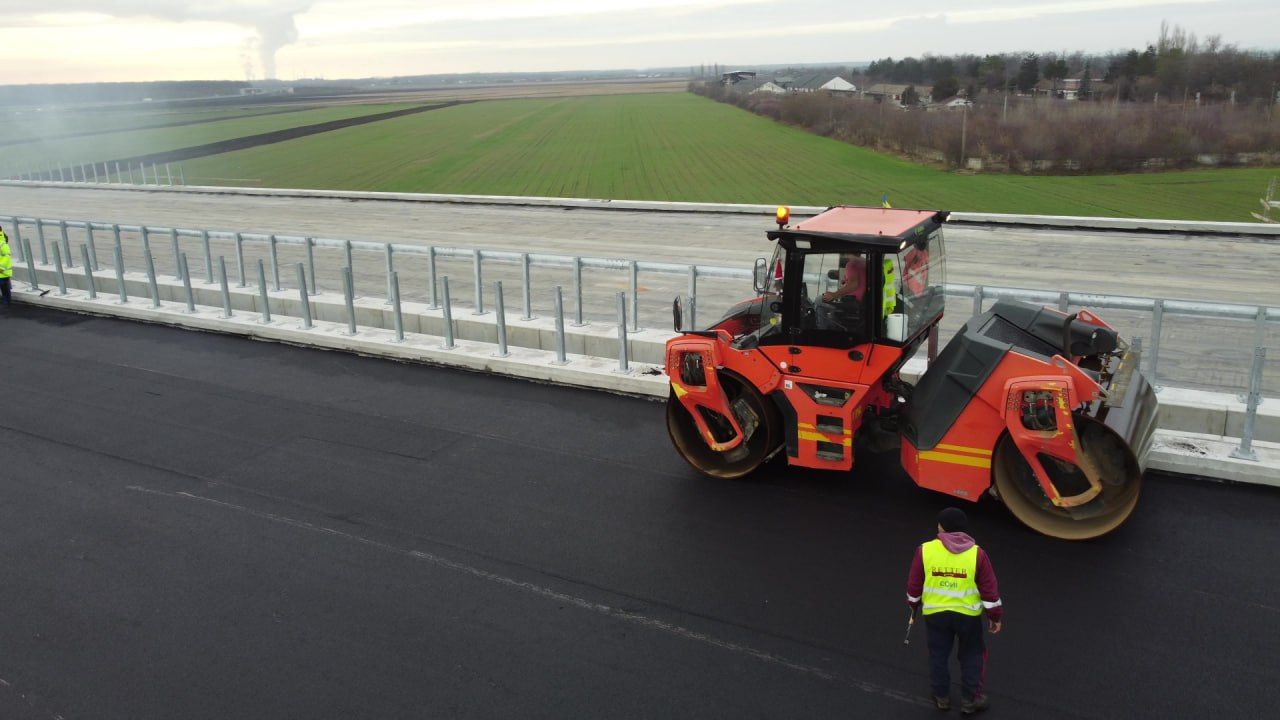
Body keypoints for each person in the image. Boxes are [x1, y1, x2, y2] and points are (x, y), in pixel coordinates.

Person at [906, 508, 1003, 714]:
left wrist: (913, 607)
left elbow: (914, 586)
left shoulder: (925, 550)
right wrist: (995, 617)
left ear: (943, 528)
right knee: (972, 655)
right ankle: (970, 700)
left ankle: (941, 697)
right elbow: (989, 591)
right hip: (968, 617)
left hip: (935, 615)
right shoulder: (977, 554)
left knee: (938, 655)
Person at [0, 225, 12, 308]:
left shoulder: (2, 243)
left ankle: (7, 301)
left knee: (4, 287)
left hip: (2, 272)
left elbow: (7, 256)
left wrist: (1, 267)